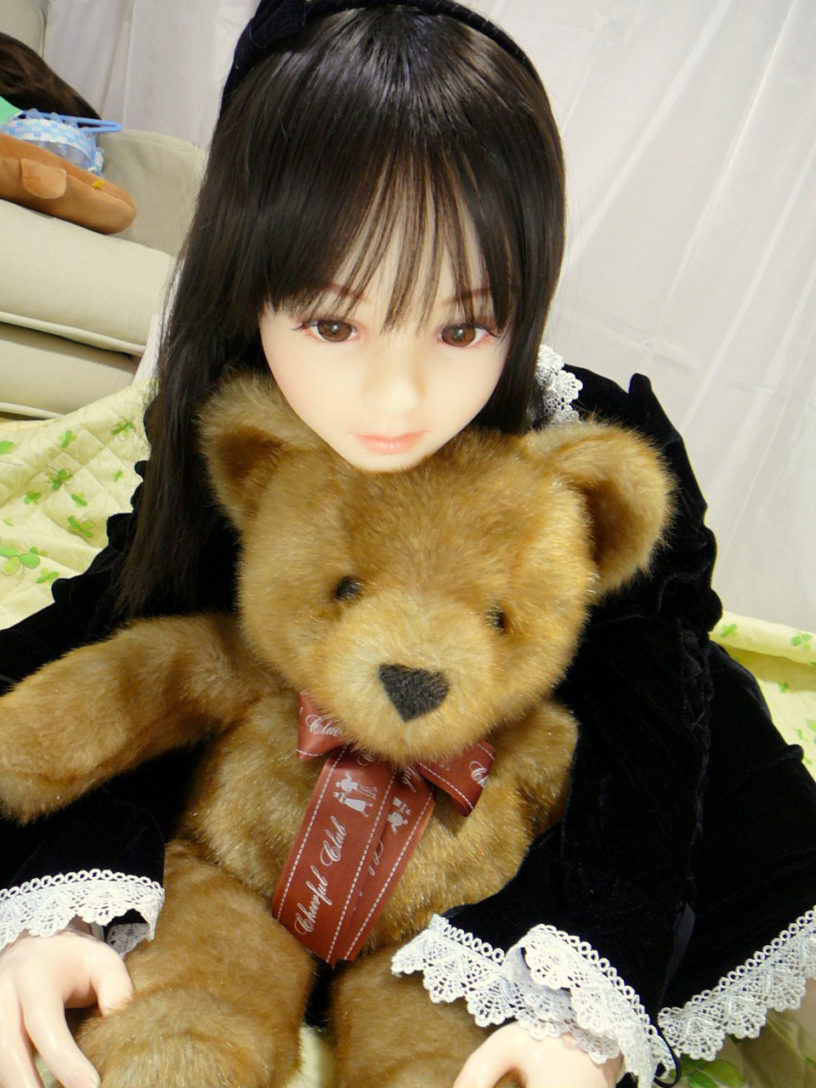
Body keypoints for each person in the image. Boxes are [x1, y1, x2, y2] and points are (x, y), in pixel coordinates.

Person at [1, 2, 815, 1086]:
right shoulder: (241, 422)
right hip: (276, 818)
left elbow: (651, 736)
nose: (397, 395)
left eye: (463, 325)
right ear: (252, 287)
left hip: (541, 835)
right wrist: (57, 901)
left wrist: (573, 1005)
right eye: (333, 323)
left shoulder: (575, 450)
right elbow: (126, 627)